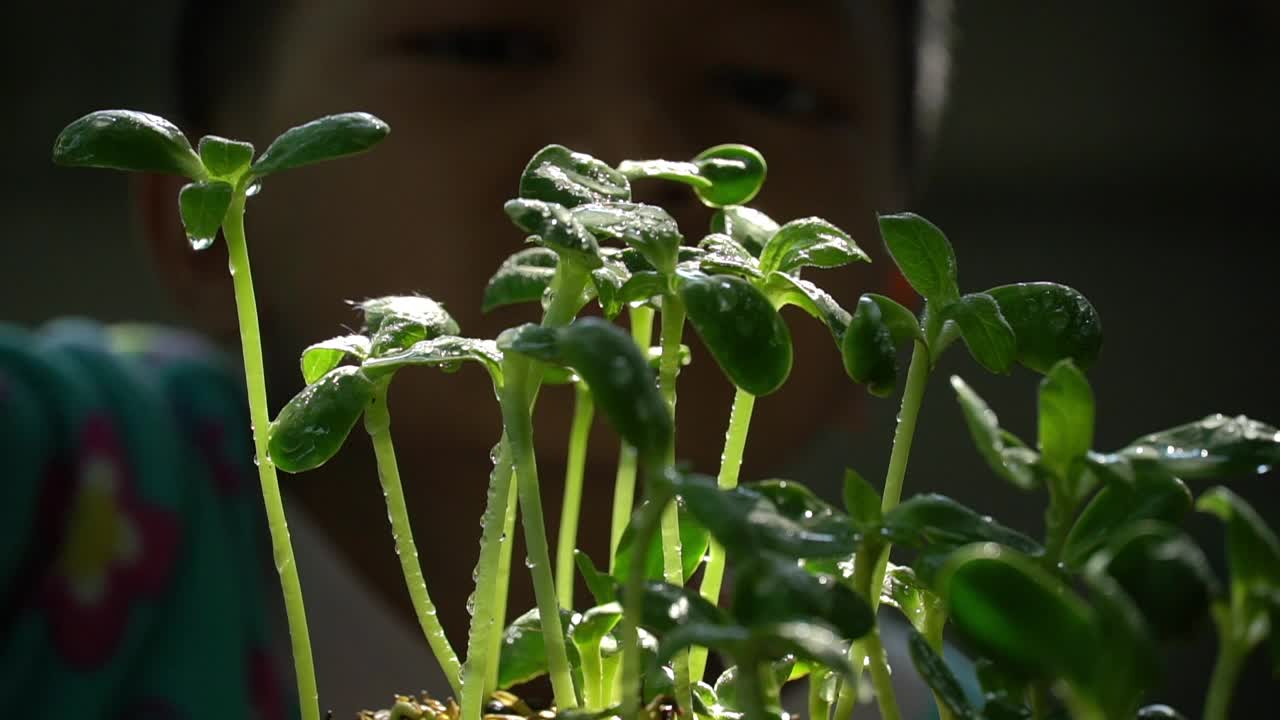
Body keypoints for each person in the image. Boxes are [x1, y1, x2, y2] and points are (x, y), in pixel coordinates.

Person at [3, 1, 958, 716]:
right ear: (206, 222)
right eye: (483, 46)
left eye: (770, 90)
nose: (620, 153)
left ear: (882, 317)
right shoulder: (59, 476)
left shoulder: (904, 687)